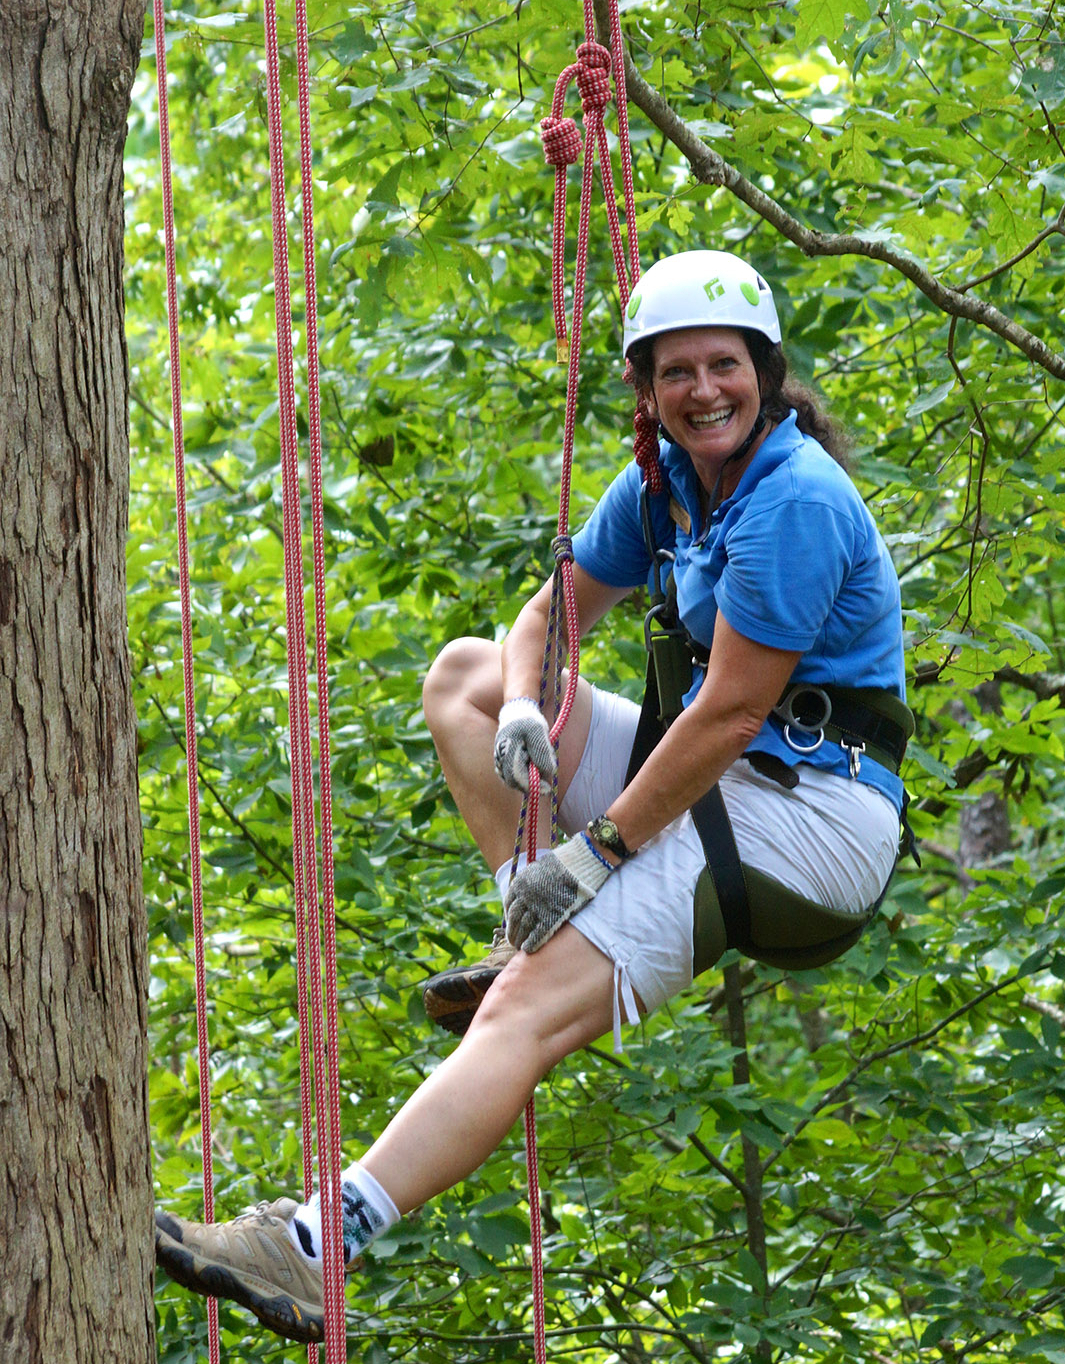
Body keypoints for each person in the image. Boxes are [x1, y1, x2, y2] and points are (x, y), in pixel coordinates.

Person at [153, 248, 909, 1343]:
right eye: (677, 371)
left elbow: (733, 713)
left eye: (725, 365)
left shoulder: (791, 502)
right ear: (646, 390)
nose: (704, 390)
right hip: (716, 781)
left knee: (520, 1013)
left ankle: (320, 1240)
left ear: (767, 371)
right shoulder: (664, 484)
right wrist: (520, 706)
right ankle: (530, 918)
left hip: (811, 820)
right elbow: (546, 615)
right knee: (461, 671)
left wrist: (594, 855)